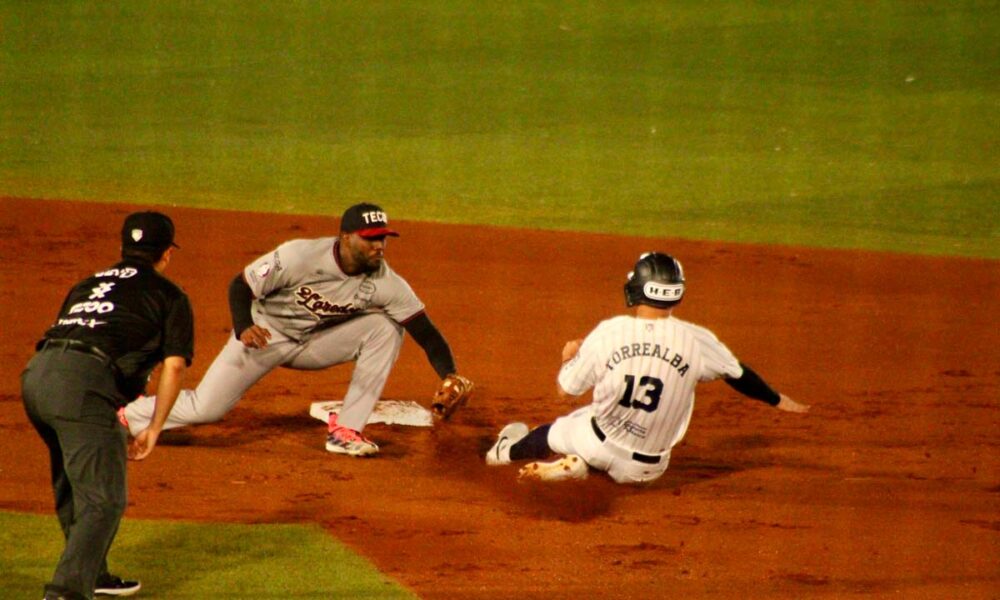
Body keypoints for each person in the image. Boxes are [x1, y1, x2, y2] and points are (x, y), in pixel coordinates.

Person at [122, 202, 470, 457]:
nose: (379, 246)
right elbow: (240, 285)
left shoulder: (386, 281)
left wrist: (449, 374)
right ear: (346, 237)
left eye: (383, 238)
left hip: (314, 344)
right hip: (263, 336)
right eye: (370, 239)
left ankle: (346, 430)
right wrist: (243, 327)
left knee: (385, 328)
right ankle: (130, 413)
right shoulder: (299, 256)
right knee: (206, 409)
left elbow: (424, 329)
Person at [486, 251, 809, 484]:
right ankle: (581, 470)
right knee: (606, 444)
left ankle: (503, 452)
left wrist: (569, 356)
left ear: (638, 289)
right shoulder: (698, 340)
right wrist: (778, 399)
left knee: (558, 429)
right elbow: (740, 375)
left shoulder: (610, 331)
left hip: (597, 441)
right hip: (648, 470)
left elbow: (565, 390)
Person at [22, 212, 194, 600]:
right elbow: (175, 365)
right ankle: (65, 593)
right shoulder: (169, 296)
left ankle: (92, 574)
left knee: (73, 485)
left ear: (123, 248)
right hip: (82, 386)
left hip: (38, 376)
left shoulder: (86, 284)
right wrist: (154, 426)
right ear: (166, 254)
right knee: (105, 498)